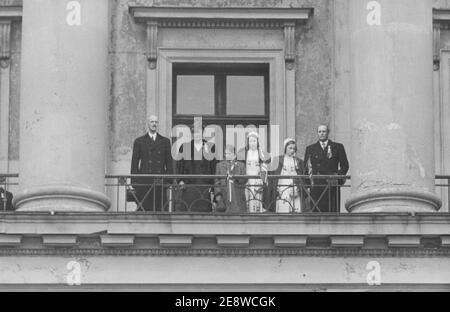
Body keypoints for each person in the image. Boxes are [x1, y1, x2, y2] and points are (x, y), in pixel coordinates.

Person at [130, 115, 173, 212]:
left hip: (160, 183)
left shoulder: (165, 141)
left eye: (156, 122)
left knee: (160, 212)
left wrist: (167, 181)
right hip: (144, 183)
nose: (154, 124)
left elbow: (169, 163)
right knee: (145, 212)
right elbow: (134, 164)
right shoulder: (139, 141)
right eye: (152, 122)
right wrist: (135, 182)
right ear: (148, 123)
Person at [303, 125, 349, 213]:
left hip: (331, 185)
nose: (322, 134)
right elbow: (306, 169)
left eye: (324, 131)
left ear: (328, 132)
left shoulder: (337, 147)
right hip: (316, 185)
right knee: (317, 213)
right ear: (317, 133)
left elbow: (345, 165)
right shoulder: (310, 149)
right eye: (320, 132)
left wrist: (337, 177)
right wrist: (308, 186)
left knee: (332, 212)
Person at [176, 124, 216, 212]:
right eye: (195, 132)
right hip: (189, 185)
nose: (197, 134)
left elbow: (214, 167)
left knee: (204, 214)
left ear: (203, 133)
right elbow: (179, 165)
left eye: (199, 132)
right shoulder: (184, 146)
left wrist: (213, 185)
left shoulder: (210, 147)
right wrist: (180, 180)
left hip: (204, 185)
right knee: (189, 212)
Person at [237, 132, 270, 213]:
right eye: (250, 141)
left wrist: (261, 180)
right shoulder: (243, 153)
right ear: (248, 142)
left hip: (257, 180)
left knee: (257, 199)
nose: (252, 143)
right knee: (247, 199)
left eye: (254, 141)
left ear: (258, 142)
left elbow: (263, 168)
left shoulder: (261, 153)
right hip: (246, 180)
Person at [270, 139, 305, 213]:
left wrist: (298, 187)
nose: (292, 150)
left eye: (294, 149)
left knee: (295, 207)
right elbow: (274, 176)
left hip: (294, 186)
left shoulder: (298, 161)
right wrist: (276, 187)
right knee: (283, 208)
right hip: (282, 186)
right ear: (285, 148)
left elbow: (301, 176)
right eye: (290, 148)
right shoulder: (278, 159)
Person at [214, 145, 247, 214]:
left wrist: (235, 176)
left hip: (237, 196)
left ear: (234, 155)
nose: (227, 155)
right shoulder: (219, 165)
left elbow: (244, 180)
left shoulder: (241, 165)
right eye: (225, 154)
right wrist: (218, 195)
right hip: (224, 195)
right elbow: (217, 181)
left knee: (238, 217)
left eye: (229, 153)